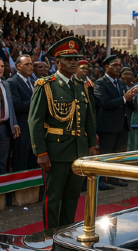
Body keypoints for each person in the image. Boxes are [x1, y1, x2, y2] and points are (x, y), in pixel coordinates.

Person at [28, 37, 97, 230]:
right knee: (54, 197)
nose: (74, 62)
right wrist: (40, 152)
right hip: (55, 150)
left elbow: (89, 119)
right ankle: (50, 234)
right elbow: (35, 121)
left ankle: (66, 232)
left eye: (76, 59)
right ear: (57, 61)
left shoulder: (81, 86)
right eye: (69, 59)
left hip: (78, 150)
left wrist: (92, 145)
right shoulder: (46, 85)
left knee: (72, 196)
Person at [93, 55, 135, 189]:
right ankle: (100, 181)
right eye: (115, 65)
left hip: (122, 125)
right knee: (106, 155)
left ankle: (114, 178)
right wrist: (124, 98)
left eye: (120, 65)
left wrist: (132, 99)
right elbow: (104, 103)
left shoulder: (122, 83)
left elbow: (127, 104)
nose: (119, 67)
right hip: (108, 126)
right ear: (106, 67)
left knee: (119, 155)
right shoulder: (100, 83)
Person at [8, 53, 37, 172]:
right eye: (27, 64)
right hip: (21, 128)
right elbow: (17, 105)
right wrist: (37, 100)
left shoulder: (32, 81)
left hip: (33, 128)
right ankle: (19, 190)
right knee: (21, 162)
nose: (31, 66)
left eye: (31, 64)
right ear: (18, 66)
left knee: (32, 162)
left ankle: (30, 191)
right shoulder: (12, 82)